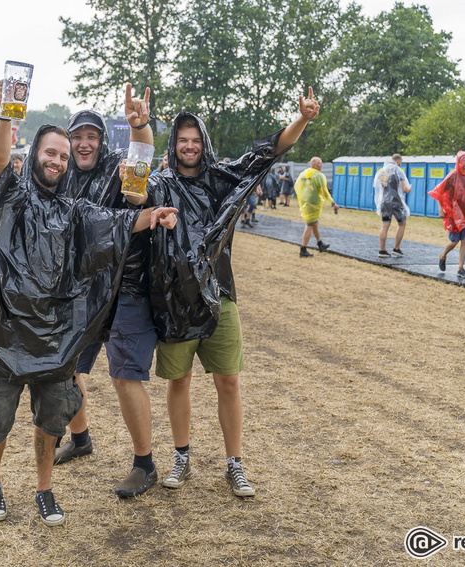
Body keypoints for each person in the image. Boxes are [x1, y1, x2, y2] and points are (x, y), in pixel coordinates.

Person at [0, 81, 177, 526]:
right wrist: (5, 113)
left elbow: (115, 221)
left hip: (55, 338)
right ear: (35, 153)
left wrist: (152, 216)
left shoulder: (74, 210)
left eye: (62, 154)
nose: (57, 159)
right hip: (5, 332)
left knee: (51, 418)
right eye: (50, 151)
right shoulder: (12, 195)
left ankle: (44, 489)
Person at [137, 88, 321, 498]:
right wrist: (138, 129)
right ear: (174, 144)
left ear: (204, 143)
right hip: (173, 299)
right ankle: (181, 456)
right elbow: (132, 195)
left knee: (229, 382)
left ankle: (233, 463)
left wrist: (303, 119)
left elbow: (268, 151)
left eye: (195, 140)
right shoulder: (160, 184)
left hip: (220, 294)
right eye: (182, 140)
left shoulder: (222, 179)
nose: (188, 146)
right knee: (179, 381)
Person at [52, 86, 166, 499]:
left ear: (101, 141)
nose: (84, 144)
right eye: (77, 137)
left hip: (125, 286)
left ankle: (145, 464)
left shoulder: (118, 167)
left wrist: (141, 127)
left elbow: (139, 172)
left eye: (91, 136)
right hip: (81, 290)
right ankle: (80, 439)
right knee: (65, 368)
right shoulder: (61, 176)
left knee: (123, 377)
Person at [429, 151, 465, 279]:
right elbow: (439, 191)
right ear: (458, 161)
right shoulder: (453, 176)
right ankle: (443, 255)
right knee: (454, 240)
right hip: (454, 213)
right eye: (463, 160)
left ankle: (461, 267)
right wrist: (440, 209)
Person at [295, 156, 338, 257]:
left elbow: (297, 187)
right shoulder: (318, 176)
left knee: (314, 223)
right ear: (314, 165)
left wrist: (303, 199)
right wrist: (333, 203)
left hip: (305, 203)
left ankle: (320, 244)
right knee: (310, 225)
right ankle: (303, 249)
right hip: (313, 204)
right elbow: (325, 192)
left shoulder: (304, 174)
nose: (321, 165)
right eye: (320, 163)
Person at [374, 154, 411, 258]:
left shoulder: (383, 171)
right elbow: (404, 189)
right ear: (398, 161)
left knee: (385, 224)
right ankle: (396, 248)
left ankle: (382, 250)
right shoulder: (398, 171)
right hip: (396, 201)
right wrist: (409, 189)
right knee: (402, 224)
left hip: (384, 201)